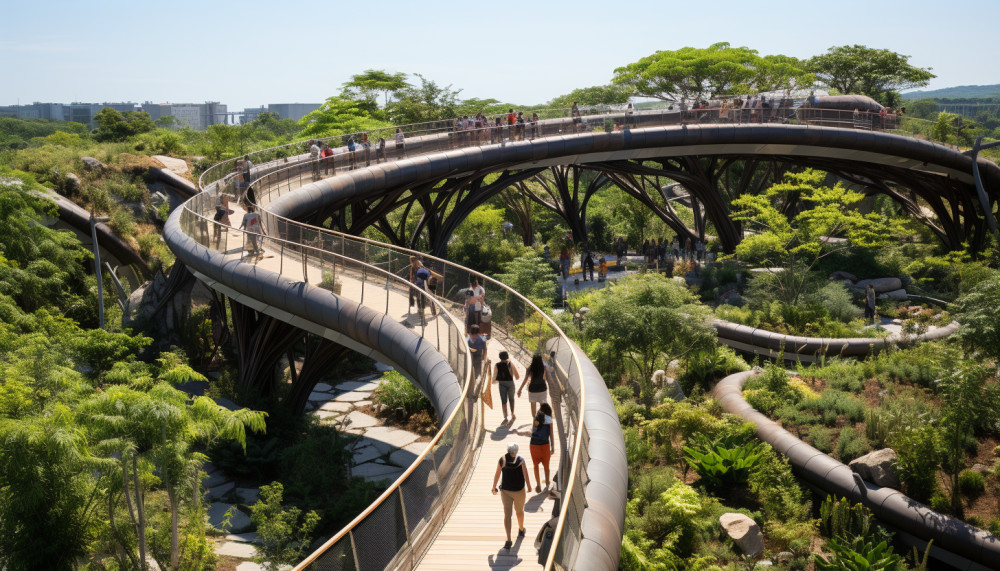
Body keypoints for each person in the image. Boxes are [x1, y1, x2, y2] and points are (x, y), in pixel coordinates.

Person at [492, 441, 531, 551]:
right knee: (519, 511)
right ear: (517, 451)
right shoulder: (521, 460)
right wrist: (529, 486)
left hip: (506, 492)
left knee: (507, 515)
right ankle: (521, 529)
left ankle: (509, 539)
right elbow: (526, 474)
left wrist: (494, 487)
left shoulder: (502, 460)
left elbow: (497, 474)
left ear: (508, 451)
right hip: (519, 491)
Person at [529, 403, 554, 492]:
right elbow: (551, 433)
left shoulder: (536, 418)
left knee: (536, 465)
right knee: (546, 467)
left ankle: (538, 485)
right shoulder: (549, 419)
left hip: (533, 445)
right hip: (544, 445)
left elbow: (533, 431)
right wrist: (553, 447)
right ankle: (547, 483)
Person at [493, 351, 520, 423]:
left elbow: (494, 377)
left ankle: (505, 417)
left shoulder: (497, 365)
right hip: (510, 384)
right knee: (511, 400)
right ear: (507, 356)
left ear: (500, 357)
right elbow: (517, 376)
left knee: (503, 401)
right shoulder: (510, 364)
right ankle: (512, 414)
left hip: (501, 384)